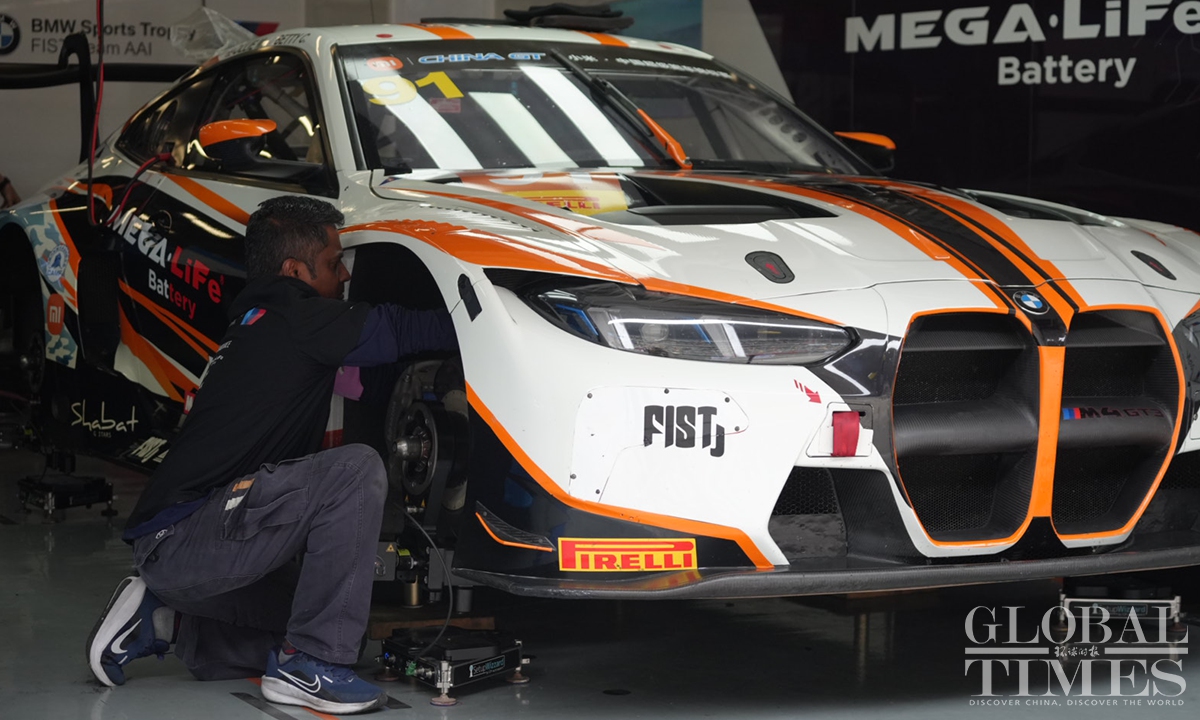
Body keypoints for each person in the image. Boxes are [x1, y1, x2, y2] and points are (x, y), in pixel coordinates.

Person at [85, 195, 457, 714]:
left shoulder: (259, 321)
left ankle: (168, 621)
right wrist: (489, 316)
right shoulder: (297, 315)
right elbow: (408, 330)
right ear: (294, 271)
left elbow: (373, 366)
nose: (345, 276)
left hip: (194, 548)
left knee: (327, 624)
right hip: (186, 540)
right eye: (333, 262)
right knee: (354, 470)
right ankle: (308, 665)